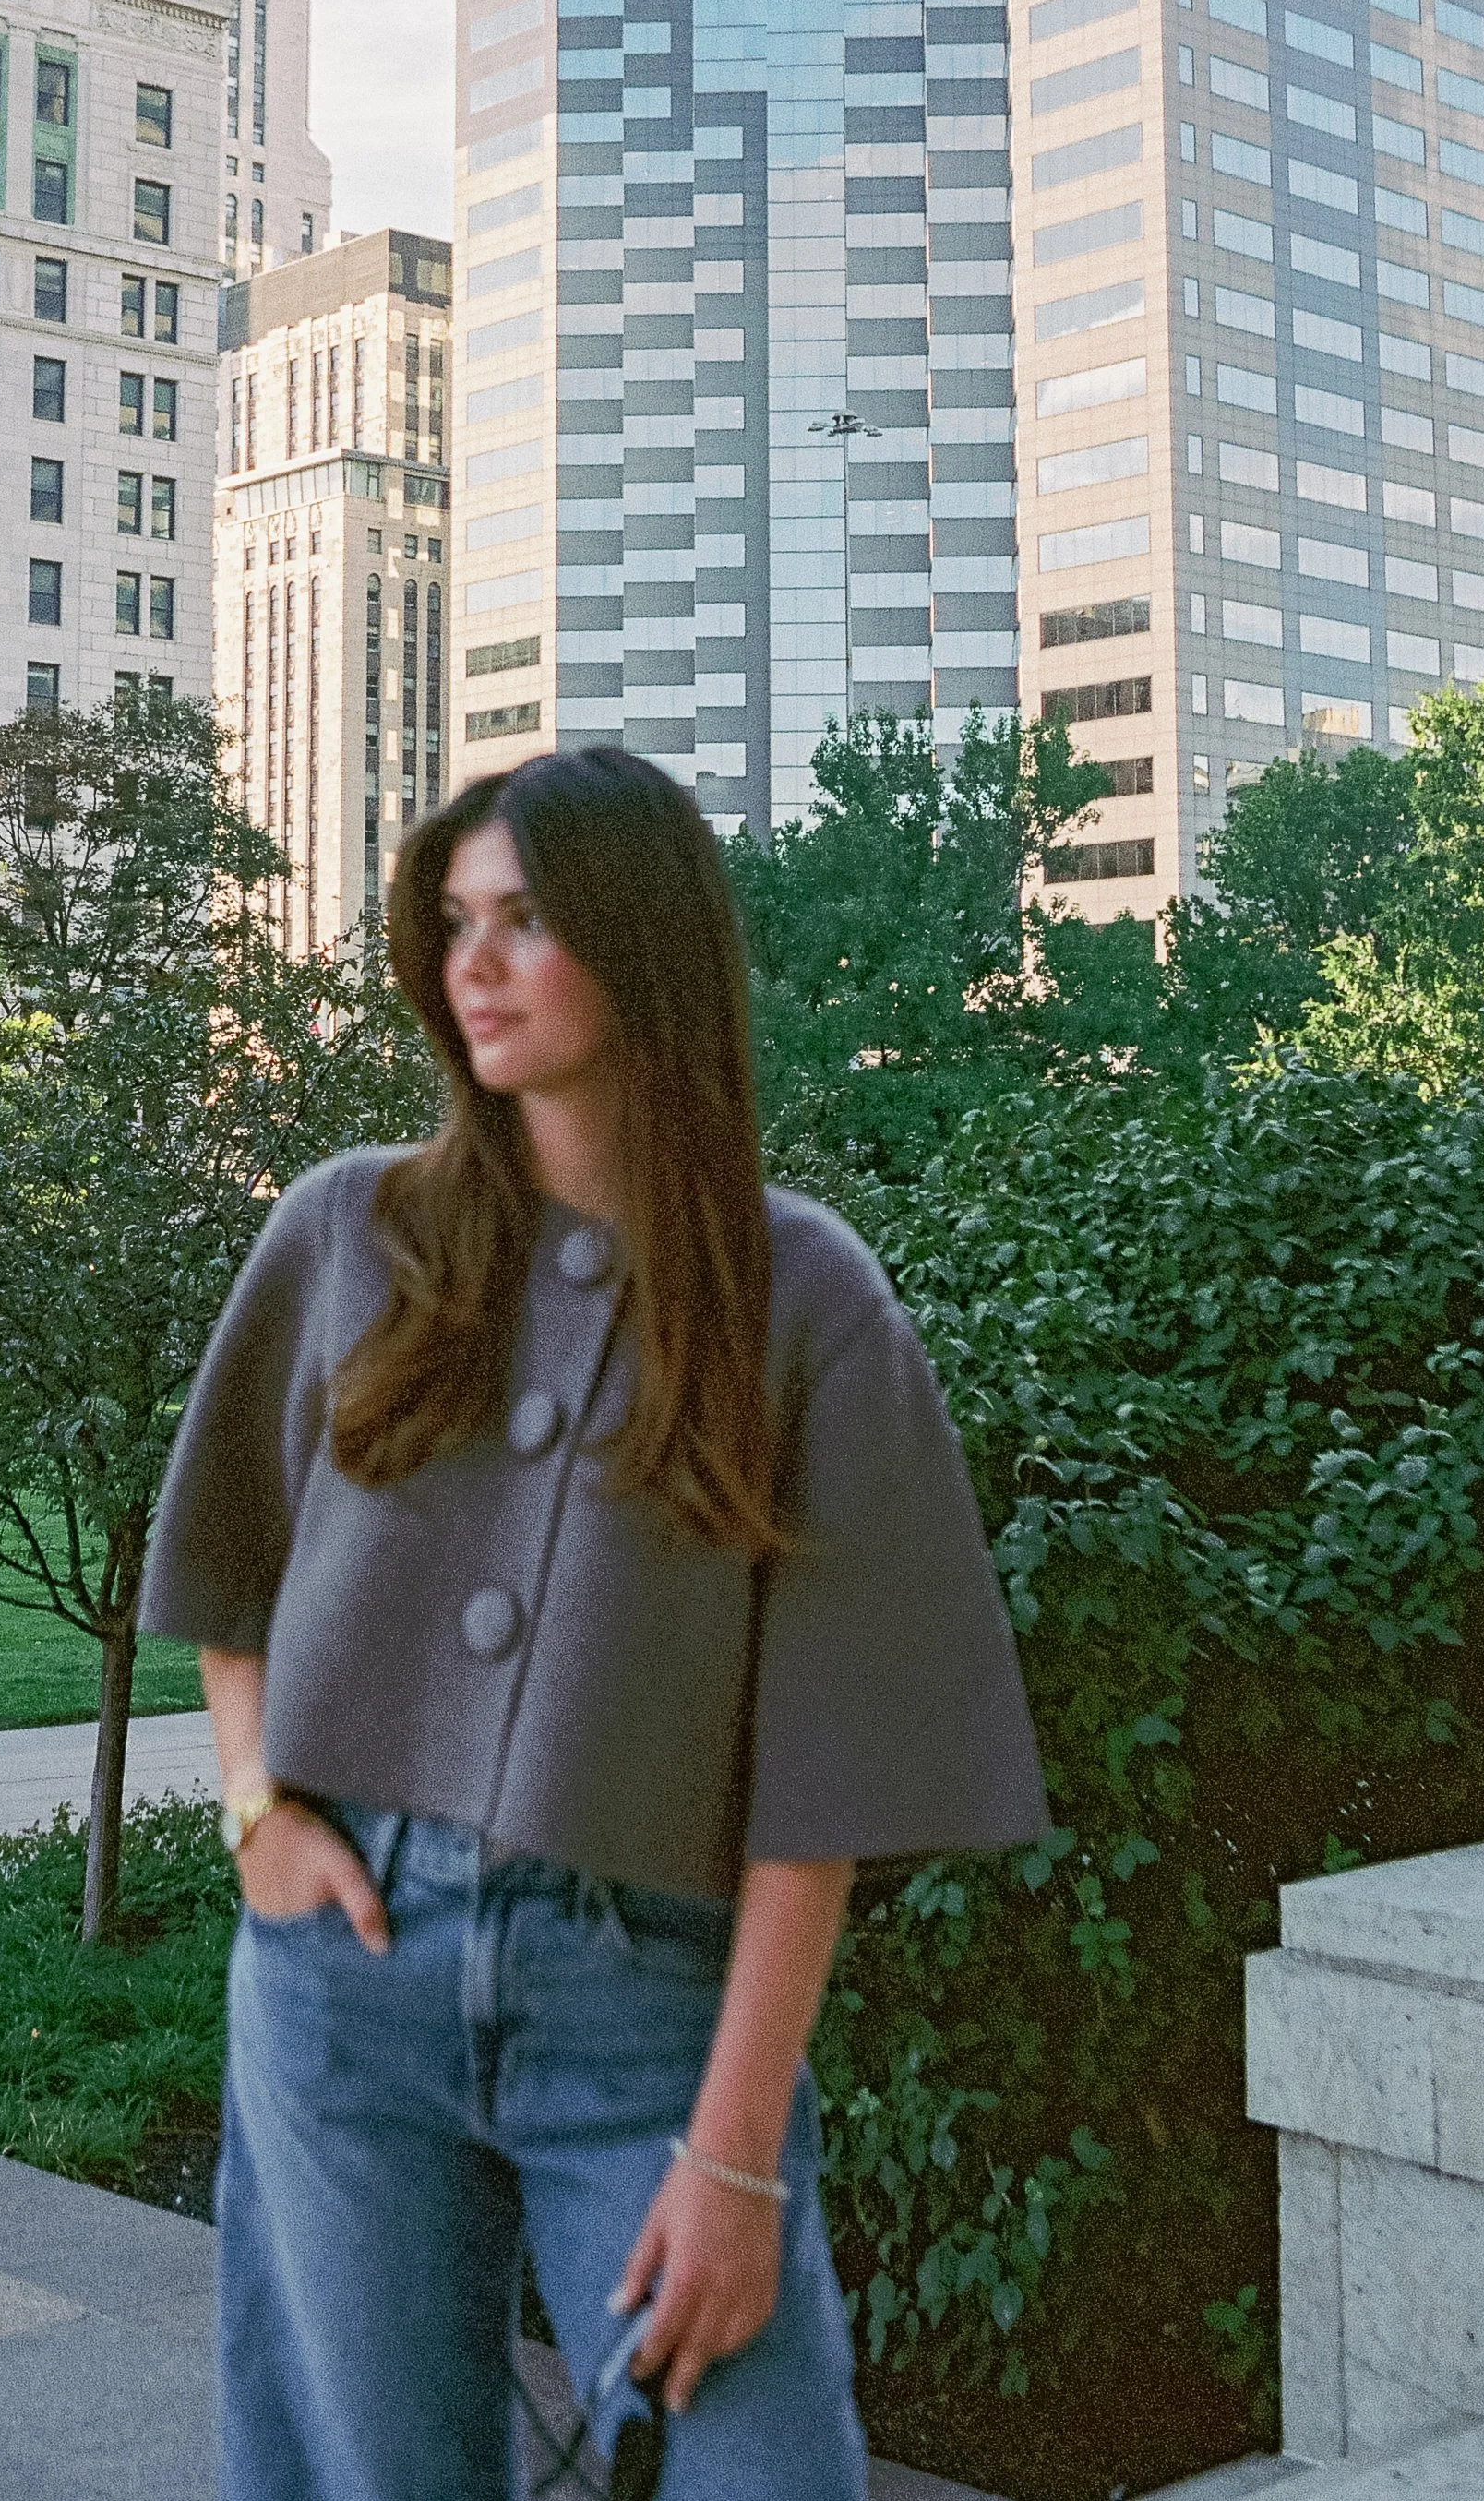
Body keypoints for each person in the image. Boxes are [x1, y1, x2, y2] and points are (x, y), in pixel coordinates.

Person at [138, 746, 1047, 2501]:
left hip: (644, 2005)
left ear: (639, 947)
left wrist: (736, 2154)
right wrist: (255, 1807)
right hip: (347, 1986)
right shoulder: (350, 1232)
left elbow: (828, 1777)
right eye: (455, 922)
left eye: (525, 920)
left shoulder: (803, 1298)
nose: (469, 963)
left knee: (762, 2470)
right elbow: (228, 1566)